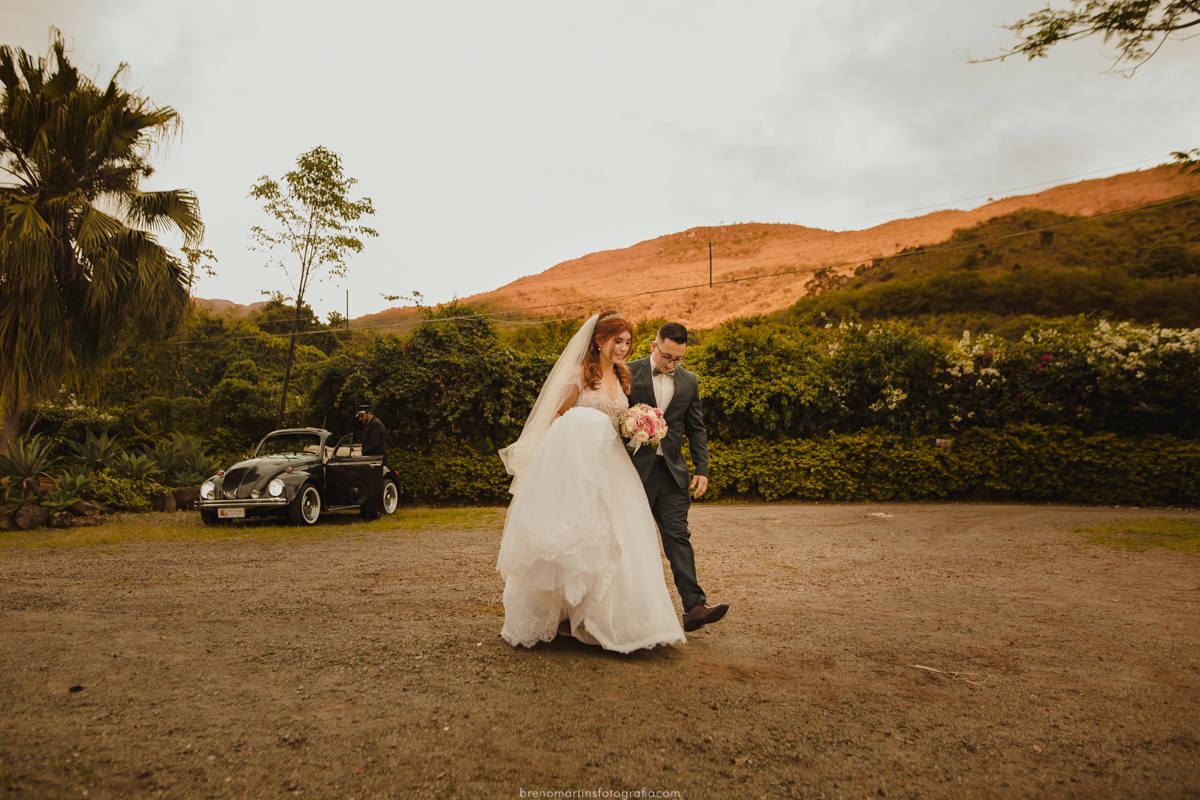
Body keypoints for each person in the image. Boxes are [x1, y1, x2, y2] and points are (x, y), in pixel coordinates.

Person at [496, 311, 686, 652]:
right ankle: (567, 613)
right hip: (578, 468)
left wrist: (637, 426)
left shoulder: (623, 375)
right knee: (577, 540)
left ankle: (606, 618)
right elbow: (557, 417)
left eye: (628, 342)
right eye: (618, 341)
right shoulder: (580, 375)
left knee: (618, 537)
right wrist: (584, 429)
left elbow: (616, 420)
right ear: (599, 340)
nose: (623, 348)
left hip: (613, 466)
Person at [626, 323, 729, 632]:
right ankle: (627, 609)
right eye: (667, 356)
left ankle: (694, 607)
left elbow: (696, 428)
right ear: (654, 346)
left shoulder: (689, 382)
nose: (671, 364)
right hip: (632, 473)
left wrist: (702, 468)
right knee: (629, 540)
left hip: (672, 474)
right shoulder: (626, 372)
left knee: (678, 537)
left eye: (679, 359)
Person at [356, 404, 387, 521]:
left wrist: (361, 453)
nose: (360, 418)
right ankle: (374, 513)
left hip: (374, 461)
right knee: (371, 487)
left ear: (369, 413)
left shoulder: (375, 424)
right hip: (373, 460)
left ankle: (366, 516)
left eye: (362, 415)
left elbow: (374, 444)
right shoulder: (371, 424)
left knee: (367, 487)